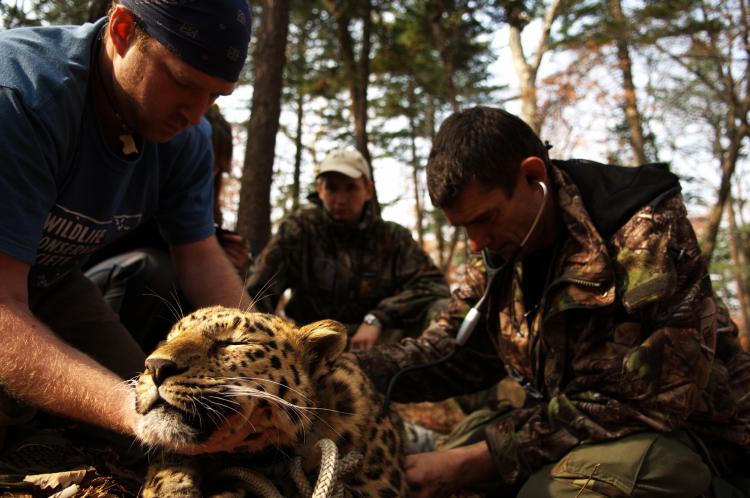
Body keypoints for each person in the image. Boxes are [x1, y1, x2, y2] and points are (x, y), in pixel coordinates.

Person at [353, 106, 750, 497]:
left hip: (694, 437)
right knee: (449, 454)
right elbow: (450, 352)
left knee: (548, 491)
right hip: (577, 429)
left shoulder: (642, 228)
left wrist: (481, 459)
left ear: (532, 175)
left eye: (484, 219)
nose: (475, 243)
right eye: (464, 228)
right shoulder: (502, 254)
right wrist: (344, 370)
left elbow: (652, 394)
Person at [0, 0, 258, 455]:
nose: (196, 115)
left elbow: (199, 257)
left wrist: (265, 356)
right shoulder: (22, 98)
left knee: (162, 432)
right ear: (121, 30)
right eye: (183, 83)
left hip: (51, 279)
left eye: (215, 97)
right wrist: (127, 409)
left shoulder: (186, 136)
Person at [83, 104, 251, 354]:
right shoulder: (147, 177)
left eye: (215, 167)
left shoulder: (203, 208)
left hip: (156, 302)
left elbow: (200, 266)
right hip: (102, 282)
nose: (207, 171)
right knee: (155, 270)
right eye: (206, 161)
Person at [246, 148, 451, 351]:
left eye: (351, 188)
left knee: (441, 308)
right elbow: (257, 290)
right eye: (332, 188)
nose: (341, 199)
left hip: (378, 342)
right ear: (320, 189)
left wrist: (378, 318)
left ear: (368, 190)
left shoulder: (393, 237)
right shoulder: (299, 229)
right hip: (310, 342)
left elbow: (433, 285)